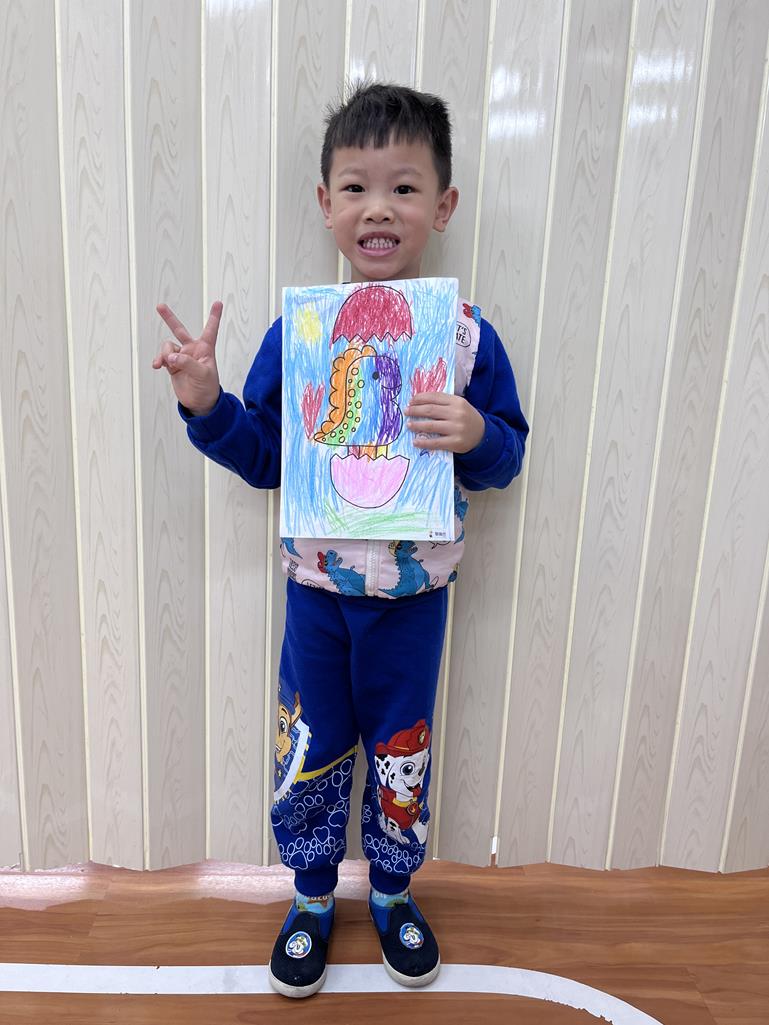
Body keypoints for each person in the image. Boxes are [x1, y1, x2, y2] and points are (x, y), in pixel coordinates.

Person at [153, 82, 529, 999]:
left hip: (413, 601)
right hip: (317, 598)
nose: (378, 208)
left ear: (442, 205)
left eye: (404, 187)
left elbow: (508, 455)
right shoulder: (301, 333)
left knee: (401, 746)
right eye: (356, 187)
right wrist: (207, 402)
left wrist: (476, 435)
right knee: (312, 745)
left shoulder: (466, 340)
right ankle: (312, 894)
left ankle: (392, 888)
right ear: (325, 204)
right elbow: (265, 456)